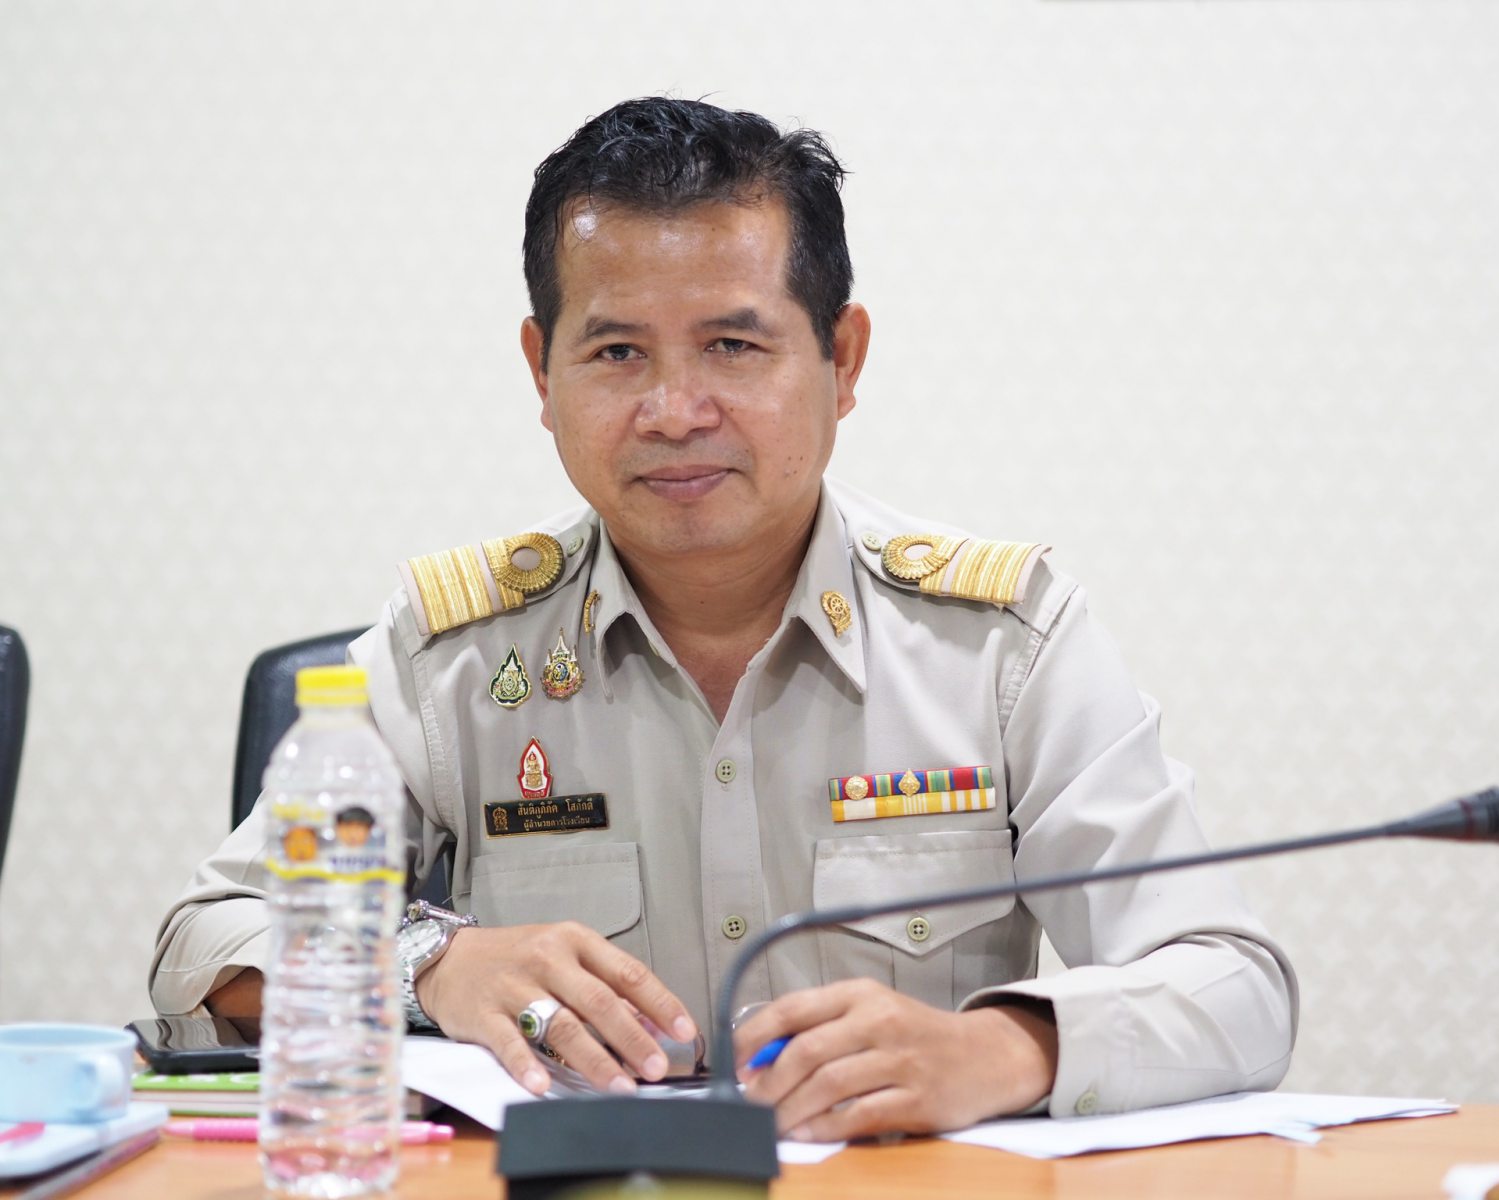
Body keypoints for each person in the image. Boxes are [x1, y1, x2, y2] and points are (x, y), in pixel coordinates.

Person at [151, 96, 1296, 1141]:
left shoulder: (999, 645)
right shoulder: (454, 654)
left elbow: (1234, 983)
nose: (673, 411)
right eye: (615, 352)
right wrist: (430, 963)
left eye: (733, 346)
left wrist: (998, 1050)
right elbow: (205, 940)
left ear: (842, 360)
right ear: (541, 373)